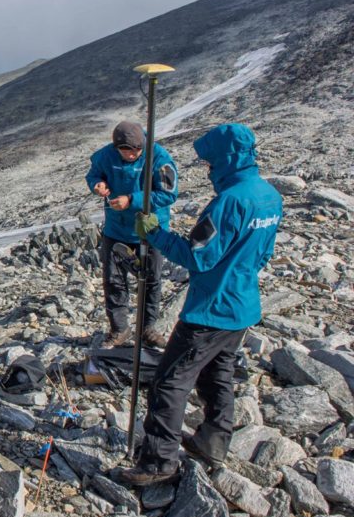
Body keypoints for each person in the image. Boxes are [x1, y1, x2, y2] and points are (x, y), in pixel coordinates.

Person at [119, 123, 283, 486]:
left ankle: (158, 462)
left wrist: (155, 234)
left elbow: (198, 257)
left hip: (210, 309)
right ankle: (213, 441)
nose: (208, 170)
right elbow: (263, 253)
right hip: (241, 307)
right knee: (217, 374)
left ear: (226, 160)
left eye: (210, 164)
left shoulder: (229, 202)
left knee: (169, 382)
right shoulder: (269, 195)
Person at [86, 121, 179, 348]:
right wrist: (97, 184)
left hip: (150, 230)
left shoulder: (159, 157)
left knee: (151, 280)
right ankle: (119, 328)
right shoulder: (106, 156)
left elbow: (168, 195)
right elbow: (94, 174)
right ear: (116, 146)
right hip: (116, 230)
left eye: (136, 150)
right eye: (125, 151)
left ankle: (148, 328)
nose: (131, 155)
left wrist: (131, 200)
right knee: (113, 280)